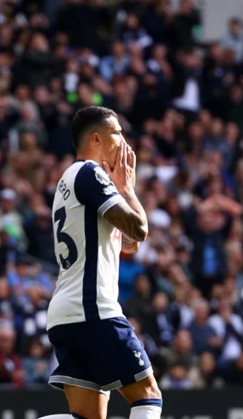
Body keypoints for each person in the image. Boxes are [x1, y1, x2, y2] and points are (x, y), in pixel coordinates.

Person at [46, 106, 162, 419]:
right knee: (148, 396)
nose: (124, 143)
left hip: (67, 312)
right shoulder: (89, 172)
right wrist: (127, 189)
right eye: (118, 134)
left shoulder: (69, 180)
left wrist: (122, 192)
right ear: (97, 139)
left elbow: (131, 243)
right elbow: (139, 228)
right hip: (92, 308)